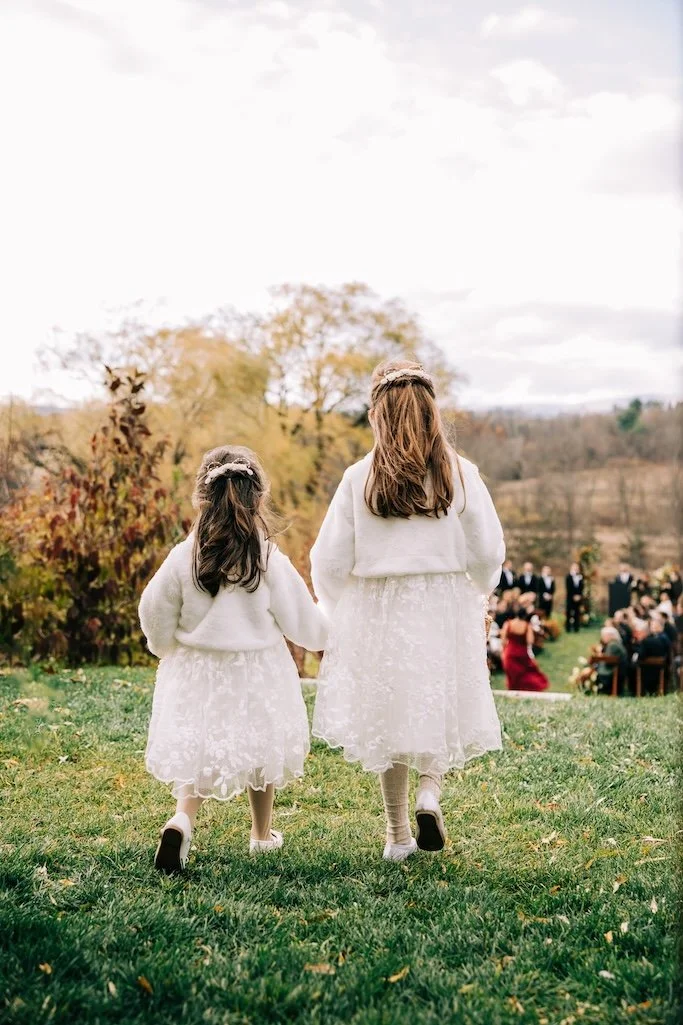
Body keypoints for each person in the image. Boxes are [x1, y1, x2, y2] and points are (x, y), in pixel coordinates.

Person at [310, 359, 505, 862]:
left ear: (378, 414)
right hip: (441, 601)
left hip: (378, 607)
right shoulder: (461, 474)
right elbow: (487, 551)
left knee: (387, 715)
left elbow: (328, 560)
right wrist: (479, 592)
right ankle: (429, 792)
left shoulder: (358, 478)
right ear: (431, 412)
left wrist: (338, 607)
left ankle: (398, 837)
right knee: (437, 699)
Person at [139, 445, 328, 872]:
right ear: (258, 499)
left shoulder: (184, 556)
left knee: (198, 743)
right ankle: (261, 835)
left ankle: (183, 818)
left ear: (201, 500)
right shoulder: (265, 558)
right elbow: (303, 623)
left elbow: (152, 611)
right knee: (262, 749)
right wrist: (329, 625)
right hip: (257, 670)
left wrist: (167, 647)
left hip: (196, 668)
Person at [500, 608, 550, 692]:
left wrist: (504, 651)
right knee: (525, 673)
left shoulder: (508, 623)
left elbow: (503, 640)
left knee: (513, 676)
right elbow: (530, 641)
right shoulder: (527, 625)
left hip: (510, 653)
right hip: (521, 653)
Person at [594, 625, 628, 695]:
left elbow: (609, 659)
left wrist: (600, 655)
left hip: (612, 672)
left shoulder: (612, 645)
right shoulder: (616, 643)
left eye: (604, 636)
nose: (602, 638)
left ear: (610, 636)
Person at [565, 562, 584, 633]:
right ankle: (568, 628)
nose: (576, 568)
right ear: (571, 568)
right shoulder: (568, 577)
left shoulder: (580, 577)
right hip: (570, 598)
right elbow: (568, 588)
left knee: (577, 613)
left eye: (577, 567)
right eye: (574, 567)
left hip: (578, 598)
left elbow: (582, 588)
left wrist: (579, 596)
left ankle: (576, 628)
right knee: (569, 613)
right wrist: (573, 596)